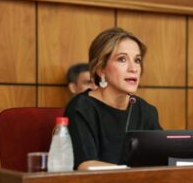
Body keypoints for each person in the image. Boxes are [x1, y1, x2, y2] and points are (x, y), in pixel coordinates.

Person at [64, 27, 162, 170]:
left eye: (137, 60)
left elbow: (162, 157)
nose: (133, 68)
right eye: (122, 59)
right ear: (100, 69)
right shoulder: (81, 108)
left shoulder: (146, 111)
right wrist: (133, 173)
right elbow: (85, 165)